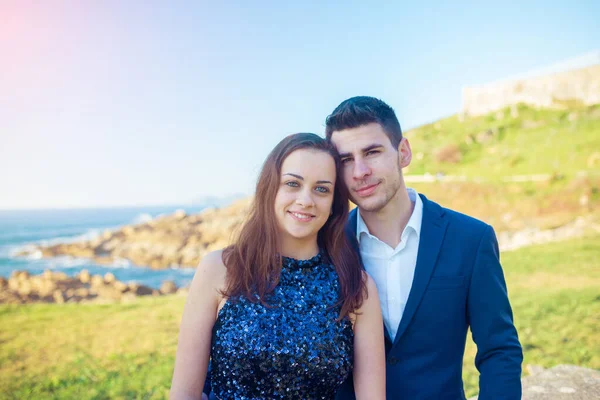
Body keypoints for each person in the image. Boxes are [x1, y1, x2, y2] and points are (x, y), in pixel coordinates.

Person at [326, 97, 523, 400]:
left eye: (372, 152)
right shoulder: (326, 247)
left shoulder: (471, 239)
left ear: (402, 152)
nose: (359, 171)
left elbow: (499, 350)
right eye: (345, 160)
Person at [170, 133, 385, 400]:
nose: (306, 200)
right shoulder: (220, 269)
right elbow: (184, 394)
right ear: (270, 189)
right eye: (293, 184)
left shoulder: (357, 287)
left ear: (333, 204)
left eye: (321, 189)